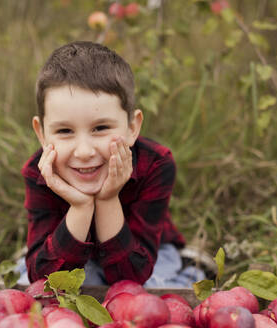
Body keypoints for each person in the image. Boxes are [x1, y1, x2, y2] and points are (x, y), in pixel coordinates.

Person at [18, 41, 204, 287]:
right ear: (41, 133)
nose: (84, 152)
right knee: (35, 287)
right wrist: (82, 206)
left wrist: (107, 199)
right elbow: (45, 281)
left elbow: (131, 280)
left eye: (101, 128)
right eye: (64, 130)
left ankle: (191, 269)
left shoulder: (155, 164)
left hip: (144, 253)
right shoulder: (39, 171)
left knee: (159, 289)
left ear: (131, 127)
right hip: (70, 247)